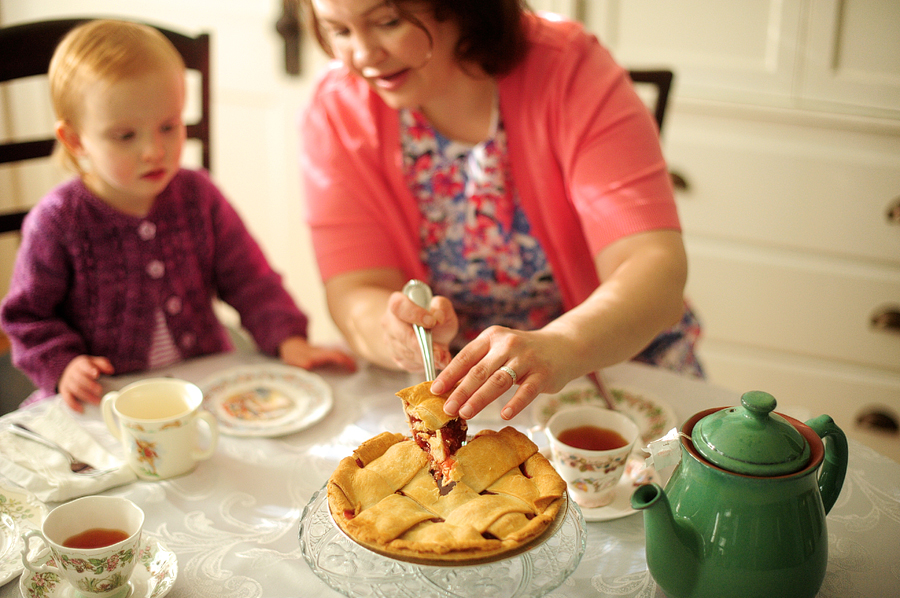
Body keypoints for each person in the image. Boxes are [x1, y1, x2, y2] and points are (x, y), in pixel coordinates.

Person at [298, 0, 703, 421]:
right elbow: (355, 290)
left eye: (388, 22)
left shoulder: (568, 68)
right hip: (464, 386)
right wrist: (394, 334)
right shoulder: (336, 110)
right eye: (339, 31)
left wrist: (561, 345)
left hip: (612, 357)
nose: (362, 56)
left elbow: (653, 266)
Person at [0, 19, 356, 412]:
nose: (154, 150)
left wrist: (287, 338)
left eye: (168, 126)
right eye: (125, 136)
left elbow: (250, 279)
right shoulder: (58, 221)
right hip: (105, 400)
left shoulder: (198, 196)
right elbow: (28, 317)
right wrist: (64, 365)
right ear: (75, 139)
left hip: (203, 387)